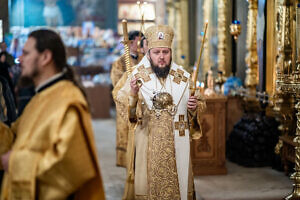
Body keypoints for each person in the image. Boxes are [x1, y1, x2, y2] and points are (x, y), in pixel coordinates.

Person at [0, 29, 105, 199]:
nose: (21, 58)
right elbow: (14, 138)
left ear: (45, 57)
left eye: (26, 53)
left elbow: (71, 166)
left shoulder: (68, 100)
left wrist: (17, 163)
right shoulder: (39, 98)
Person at [119, 25, 206, 199]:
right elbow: (125, 110)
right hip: (147, 144)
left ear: (171, 52)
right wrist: (133, 96)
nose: (161, 57)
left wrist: (194, 108)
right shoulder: (137, 76)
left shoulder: (183, 77)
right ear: (149, 53)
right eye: (156, 52)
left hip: (177, 144)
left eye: (165, 52)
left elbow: (200, 105)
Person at [111, 30, 144, 167]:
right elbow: (117, 84)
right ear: (130, 43)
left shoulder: (146, 60)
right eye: (137, 41)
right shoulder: (120, 62)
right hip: (128, 103)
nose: (139, 45)